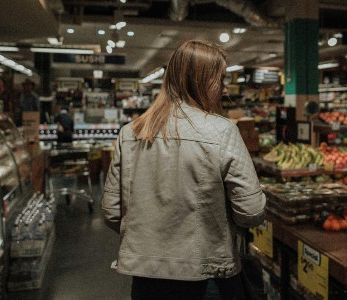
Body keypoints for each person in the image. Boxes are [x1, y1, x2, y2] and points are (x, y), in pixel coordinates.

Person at [102, 40, 266, 300]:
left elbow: (111, 212)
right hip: (207, 277)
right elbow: (252, 211)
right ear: (200, 81)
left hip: (146, 278)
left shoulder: (130, 133)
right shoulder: (222, 131)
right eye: (220, 80)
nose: (224, 90)